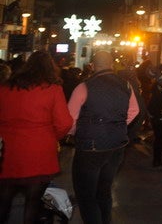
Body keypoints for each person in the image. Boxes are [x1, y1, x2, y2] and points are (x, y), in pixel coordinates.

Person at [0, 50, 73, 224]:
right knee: (33, 203)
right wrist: (52, 136)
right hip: (39, 152)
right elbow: (64, 123)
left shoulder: (5, 87)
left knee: (3, 200)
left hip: (9, 151)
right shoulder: (53, 89)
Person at [68, 50, 140, 224]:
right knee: (104, 190)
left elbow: (70, 118)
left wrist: (73, 133)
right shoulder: (126, 85)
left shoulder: (84, 86)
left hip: (90, 146)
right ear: (112, 64)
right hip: (117, 144)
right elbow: (135, 111)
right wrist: (117, 124)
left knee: (86, 195)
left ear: (92, 65)